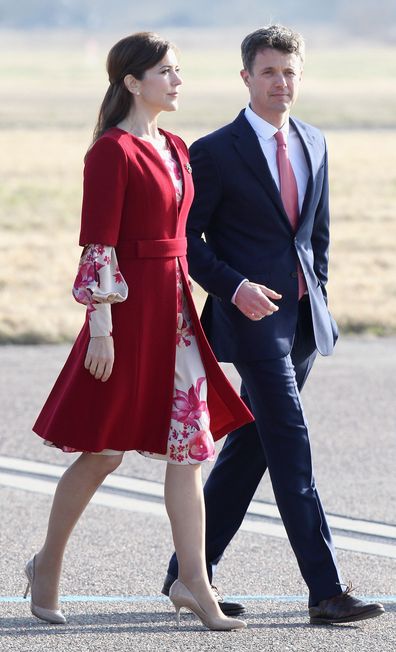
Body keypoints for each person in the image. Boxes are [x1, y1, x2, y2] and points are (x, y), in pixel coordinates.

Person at [27, 32, 253, 631]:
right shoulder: (111, 152)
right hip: (124, 315)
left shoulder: (177, 146)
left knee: (191, 448)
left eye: (178, 71)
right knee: (104, 451)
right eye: (166, 72)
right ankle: (48, 564)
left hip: (174, 311)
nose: (178, 81)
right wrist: (99, 325)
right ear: (132, 82)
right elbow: (98, 243)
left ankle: (195, 582)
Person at [162, 25, 385, 625]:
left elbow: (317, 237)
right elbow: (187, 240)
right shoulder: (213, 150)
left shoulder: (315, 141)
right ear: (246, 78)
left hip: (303, 324)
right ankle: (326, 592)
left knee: (252, 449)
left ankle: (186, 576)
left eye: (289, 72)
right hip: (251, 322)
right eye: (268, 73)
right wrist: (233, 287)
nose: (280, 83)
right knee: (291, 446)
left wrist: (320, 300)